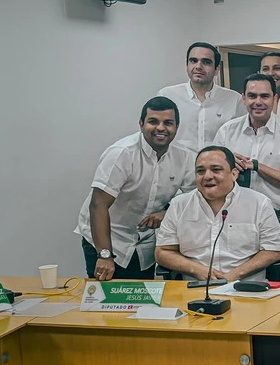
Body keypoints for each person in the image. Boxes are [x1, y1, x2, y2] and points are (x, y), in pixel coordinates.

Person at [75, 97, 194, 281]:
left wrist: (166, 213)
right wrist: (105, 255)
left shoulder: (184, 157)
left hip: (144, 242)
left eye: (168, 123)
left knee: (139, 298)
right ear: (141, 124)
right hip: (107, 239)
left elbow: (193, 196)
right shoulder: (122, 153)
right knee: (104, 300)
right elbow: (98, 205)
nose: (161, 128)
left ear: (177, 127)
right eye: (153, 121)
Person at [213, 73, 280, 280]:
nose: (258, 102)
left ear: (275, 99)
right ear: (243, 98)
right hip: (235, 218)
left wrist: (256, 166)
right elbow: (212, 177)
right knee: (237, 279)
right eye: (252, 96)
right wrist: (229, 166)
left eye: (265, 96)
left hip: (279, 217)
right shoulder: (227, 131)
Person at [155, 146, 280, 282]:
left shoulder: (259, 203)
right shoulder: (179, 205)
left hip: (246, 289)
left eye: (216, 170)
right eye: (200, 171)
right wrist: (196, 270)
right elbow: (163, 252)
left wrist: (234, 275)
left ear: (234, 174)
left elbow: (275, 250)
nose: (207, 176)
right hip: (194, 288)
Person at [158, 42, 245, 155]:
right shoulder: (167, 96)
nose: (198, 66)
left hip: (217, 170)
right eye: (193, 61)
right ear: (187, 65)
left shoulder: (234, 100)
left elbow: (242, 138)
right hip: (176, 169)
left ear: (217, 69)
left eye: (206, 62)